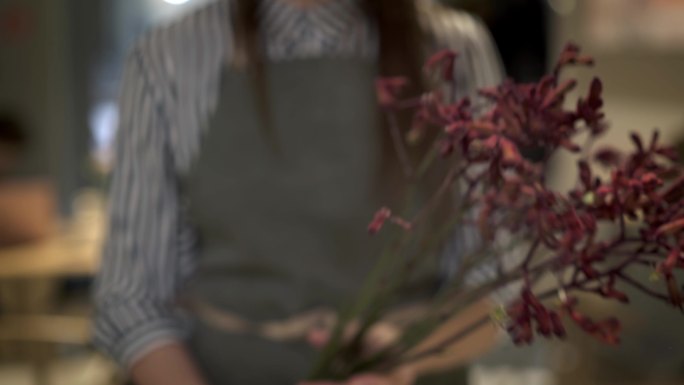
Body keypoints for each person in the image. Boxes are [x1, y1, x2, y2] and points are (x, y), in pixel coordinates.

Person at [93, 1, 505, 384]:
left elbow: (500, 294)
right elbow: (131, 300)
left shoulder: (456, 51)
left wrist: (408, 357)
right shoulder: (169, 58)